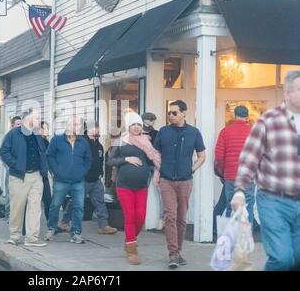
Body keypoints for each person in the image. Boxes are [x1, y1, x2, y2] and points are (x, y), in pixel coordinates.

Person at [231, 71, 300, 271]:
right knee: (282, 258)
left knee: (297, 260)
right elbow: (249, 158)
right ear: (287, 94)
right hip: (273, 201)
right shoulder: (268, 120)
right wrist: (240, 190)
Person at [153, 100, 206, 269]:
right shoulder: (163, 131)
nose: (171, 115)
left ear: (184, 113)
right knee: (170, 216)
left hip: (185, 181)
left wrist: (191, 170)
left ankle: (179, 251)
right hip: (166, 180)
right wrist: (158, 172)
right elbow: (156, 154)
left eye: (174, 112)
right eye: (169, 112)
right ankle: (173, 253)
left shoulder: (194, 132)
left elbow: (202, 156)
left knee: (182, 218)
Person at [107, 112, 161, 265]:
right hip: (124, 185)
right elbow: (110, 161)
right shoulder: (120, 141)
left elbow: (152, 162)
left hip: (141, 185)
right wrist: (126, 159)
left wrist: (153, 169)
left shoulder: (147, 142)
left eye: (138, 124)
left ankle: (130, 240)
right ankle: (132, 249)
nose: (136, 127)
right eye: (133, 125)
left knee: (140, 217)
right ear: (128, 126)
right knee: (130, 216)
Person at [0, 108, 48, 247]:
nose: (39, 120)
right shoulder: (13, 134)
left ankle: (31, 238)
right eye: (37, 117)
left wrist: (44, 169)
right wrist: (15, 164)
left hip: (37, 176)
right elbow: (4, 151)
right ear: (28, 119)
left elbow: (42, 152)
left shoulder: (37, 134)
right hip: (20, 177)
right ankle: (15, 236)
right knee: (17, 207)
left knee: (35, 208)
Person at [61, 121, 118, 235]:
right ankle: (65, 222)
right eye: (96, 128)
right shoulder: (81, 142)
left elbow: (100, 160)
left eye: (99, 128)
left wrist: (101, 172)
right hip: (83, 180)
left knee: (100, 202)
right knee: (75, 202)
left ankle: (103, 226)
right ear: (89, 129)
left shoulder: (99, 145)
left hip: (96, 180)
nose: (99, 130)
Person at [45, 115, 92, 244]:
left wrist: (82, 173)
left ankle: (76, 233)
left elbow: (88, 159)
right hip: (61, 180)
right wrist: (57, 171)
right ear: (67, 125)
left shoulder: (83, 141)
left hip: (78, 181)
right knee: (55, 205)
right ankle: (51, 228)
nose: (76, 127)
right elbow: (49, 156)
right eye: (73, 124)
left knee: (79, 207)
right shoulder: (57, 140)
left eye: (78, 125)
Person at [215, 106, 253, 225]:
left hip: (230, 175)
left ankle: (230, 237)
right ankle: (246, 237)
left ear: (234, 116)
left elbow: (219, 156)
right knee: (248, 207)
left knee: (230, 206)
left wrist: (223, 171)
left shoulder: (225, 131)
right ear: (247, 117)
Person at [3, 116, 22, 222]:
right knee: (11, 193)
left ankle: (18, 216)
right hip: (11, 170)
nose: (20, 126)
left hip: (22, 171)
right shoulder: (8, 136)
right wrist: (10, 166)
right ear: (12, 125)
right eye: (18, 124)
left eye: (21, 124)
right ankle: (9, 215)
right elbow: (3, 154)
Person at [40, 121, 52, 221]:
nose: (46, 130)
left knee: (48, 200)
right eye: (44, 128)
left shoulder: (47, 142)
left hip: (45, 176)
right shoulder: (37, 142)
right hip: (36, 175)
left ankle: (50, 224)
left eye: (47, 128)